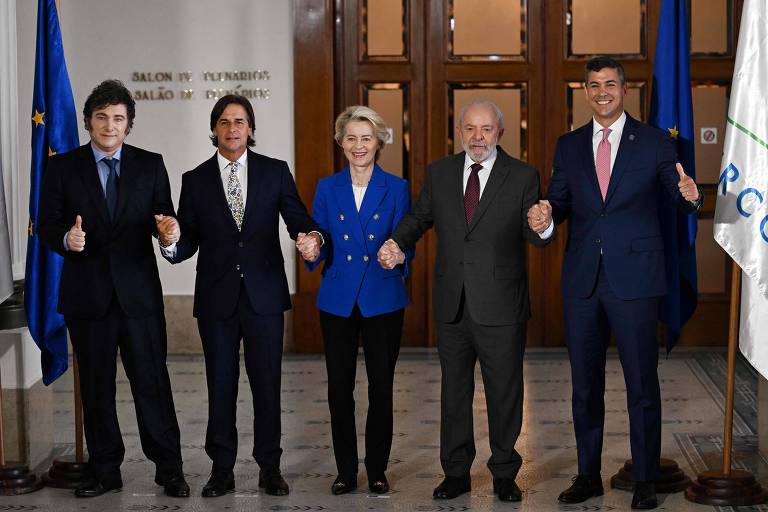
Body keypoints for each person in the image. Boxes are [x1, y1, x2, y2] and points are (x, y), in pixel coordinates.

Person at [527, 56, 702, 510]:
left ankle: (645, 480)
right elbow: (559, 202)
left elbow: (676, 192)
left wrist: (691, 196)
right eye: (593, 85)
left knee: (641, 384)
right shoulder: (568, 145)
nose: (601, 91)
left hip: (636, 280)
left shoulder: (655, 142)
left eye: (609, 84)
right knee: (585, 386)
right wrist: (546, 217)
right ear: (584, 92)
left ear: (624, 90)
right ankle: (587, 475)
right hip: (583, 281)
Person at [378, 100, 551, 502]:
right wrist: (396, 242)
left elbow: (536, 231)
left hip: (502, 304)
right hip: (452, 303)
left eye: (486, 129)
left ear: (500, 134)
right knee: (454, 392)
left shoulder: (523, 175)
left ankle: (505, 473)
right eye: (470, 129)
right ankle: (455, 472)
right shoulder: (440, 172)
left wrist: (543, 226)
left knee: (504, 391)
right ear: (460, 130)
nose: (478, 137)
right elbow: (419, 218)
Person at [161, 94, 322, 498]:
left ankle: (270, 468)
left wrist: (311, 238)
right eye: (225, 122)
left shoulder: (275, 172)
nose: (233, 128)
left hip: (264, 297)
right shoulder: (195, 180)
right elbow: (188, 240)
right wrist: (170, 242)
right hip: (216, 300)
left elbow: (298, 220)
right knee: (220, 385)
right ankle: (222, 470)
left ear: (250, 129)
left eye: (240, 121)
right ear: (214, 129)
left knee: (268, 385)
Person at [38, 79, 188, 498]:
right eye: (102, 117)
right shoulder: (62, 167)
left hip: (138, 297)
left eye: (118, 118)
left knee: (152, 383)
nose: (109, 125)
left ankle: (169, 469)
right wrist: (67, 240)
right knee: (97, 389)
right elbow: (47, 226)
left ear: (129, 125)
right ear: (89, 121)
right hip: (88, 298)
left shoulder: (150, 164)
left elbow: (167, 221)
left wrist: (170, 232)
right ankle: (106, 470)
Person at [302, 106, 412, 495]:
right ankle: (346, 470)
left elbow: (406, 239)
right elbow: (320, 237)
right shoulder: (326, 188)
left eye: (366, 138)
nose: (359, 145)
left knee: (381, 388)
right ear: (341, 142)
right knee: (339, 388)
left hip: (382, 297)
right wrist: (312, 245)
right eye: (351, 138)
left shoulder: (397, 188)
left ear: (379, 141)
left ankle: (378, 469)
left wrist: (400, 255)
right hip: (339, 299)